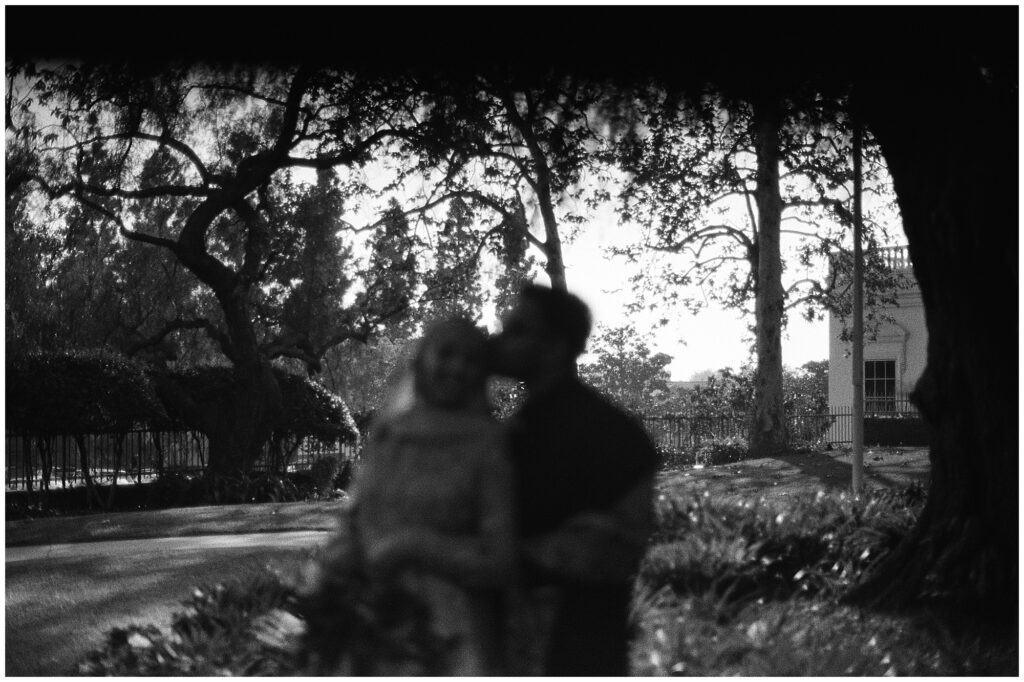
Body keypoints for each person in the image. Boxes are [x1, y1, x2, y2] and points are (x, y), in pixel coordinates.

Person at [305, 318, 516, 675]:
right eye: (447, 353)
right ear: (422, 359)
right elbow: (356, 521)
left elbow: (501, 559)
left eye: (471, 359)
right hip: (373, 622)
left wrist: (413, 545)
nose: (457, 367)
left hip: (451, 632)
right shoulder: (391, 435)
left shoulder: (489, 444)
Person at [493, 284, 660, 676]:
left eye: (517, 329)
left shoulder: (609, 432)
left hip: (576, 650)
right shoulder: (510, 429)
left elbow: (622, 546)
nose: (500, 339)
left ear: (554, 347)